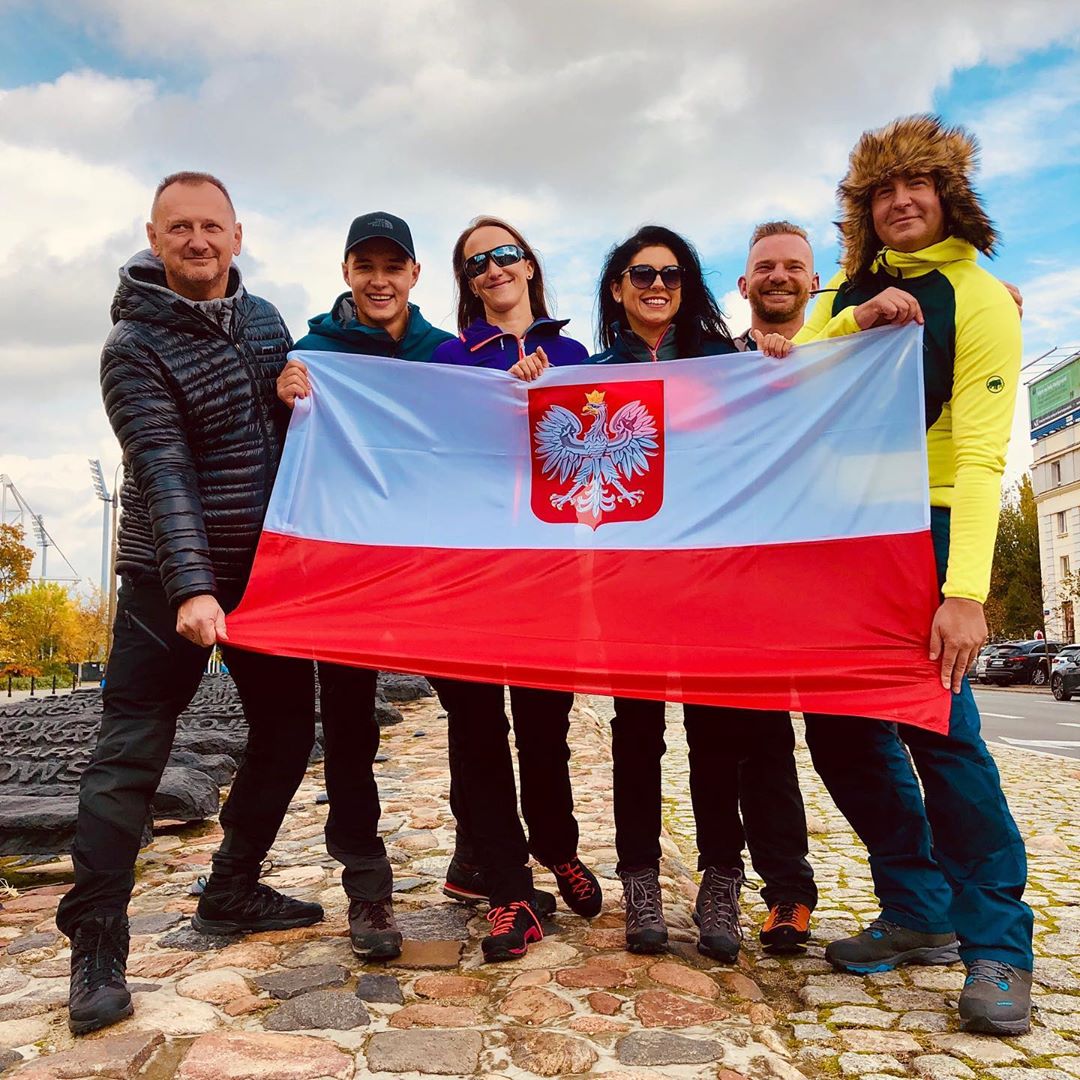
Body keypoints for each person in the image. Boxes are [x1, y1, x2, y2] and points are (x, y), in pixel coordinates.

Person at [57, 173, 322, 1036]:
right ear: (154, 237)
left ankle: (233, 885)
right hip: (163, 580)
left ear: (238, 236)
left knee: (287, 731)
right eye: (181, 229)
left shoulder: (265, 321)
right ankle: (95, 943)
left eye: (212, 226)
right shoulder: (131, 347)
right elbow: (163, 469)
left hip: (265, 577)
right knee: (131, 751)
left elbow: (285, 445)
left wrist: (291, 399)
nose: (198, 241)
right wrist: (193, 586)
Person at [786, 114, 1032, 1036]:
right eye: (881, 192)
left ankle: (1000, 944)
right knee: (843, 736)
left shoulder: (983, 299)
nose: (899, 201)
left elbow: (979, 456)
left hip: (924, 525)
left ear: (947, 195)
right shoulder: (844, 295)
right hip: (836, 535)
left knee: (944, 736)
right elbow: (787, 385)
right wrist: (854, 320)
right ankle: (917, 906)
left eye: (915, 185)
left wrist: (964, 591)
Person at [590, 224, 817, 962]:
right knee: (635, 736)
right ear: (618, 288)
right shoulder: (588, 377)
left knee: (717, 738)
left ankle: (721, 880)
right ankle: (641, 881)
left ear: (688, 287)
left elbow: (787, 430)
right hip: (629, 584)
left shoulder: (729, 363)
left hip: (718, 586)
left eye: (672, 274)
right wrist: (530, 384)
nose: (657, 285)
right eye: (641, 273)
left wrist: (777, 365)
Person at [276, 212, 453, 961]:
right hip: (347, 574)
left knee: (475, 717)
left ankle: (484, 858)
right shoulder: (314, 355)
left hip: (438, 570)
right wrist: (283, 393)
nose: (379, 280)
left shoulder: (449, 355)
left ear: (415, 275)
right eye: (365, 266)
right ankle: (367, 885)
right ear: (347, 272)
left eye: (394, 266)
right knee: (349, 730)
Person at [428, 215, 602, 962]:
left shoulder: (574, 353)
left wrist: (552, 391)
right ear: (467, 283)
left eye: (505, 254)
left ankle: (557, 847)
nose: (494, 269)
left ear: (530, 264)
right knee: (475, 735)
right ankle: (507, 890)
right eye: (477, 263)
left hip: (547, 572)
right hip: (466, 574)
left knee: (543, 726)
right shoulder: (443, 358)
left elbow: (595, 454)